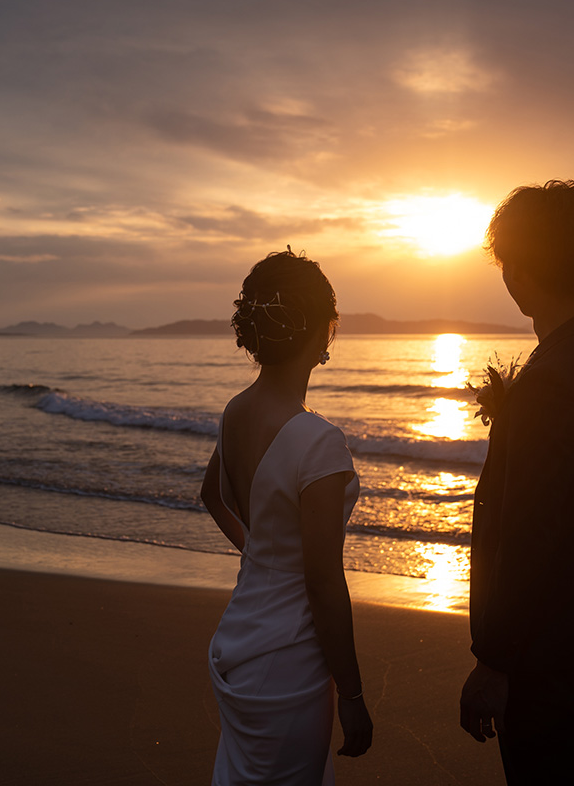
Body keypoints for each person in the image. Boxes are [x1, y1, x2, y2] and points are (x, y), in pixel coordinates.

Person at [459, 180, 574, 784]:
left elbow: (531, 533)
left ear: (516, 269)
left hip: (541, 649)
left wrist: (496, 663)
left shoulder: (551, 379)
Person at [202, 248, 373, 784]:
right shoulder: (317, 443)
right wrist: (352, 694)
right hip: (288, 659)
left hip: (238, 638)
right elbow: (323, 583)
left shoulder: (236, 411)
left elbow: (212, 496)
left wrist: (263, 553)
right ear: (324, 331)